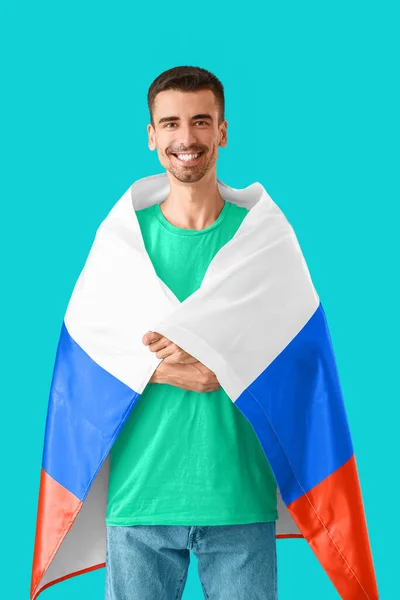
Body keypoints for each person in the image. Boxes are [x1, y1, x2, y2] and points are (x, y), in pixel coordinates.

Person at [104, 65, 279, 600]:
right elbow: (91, 352)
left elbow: (294, 352)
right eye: (172, 123)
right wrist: (172, 366)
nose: (187, 138)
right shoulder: (121, 244)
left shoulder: (264, 241)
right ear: (152, 135)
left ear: (222, 131)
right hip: (140, 500)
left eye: (201, 121)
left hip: (237, 496)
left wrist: (216, 354)